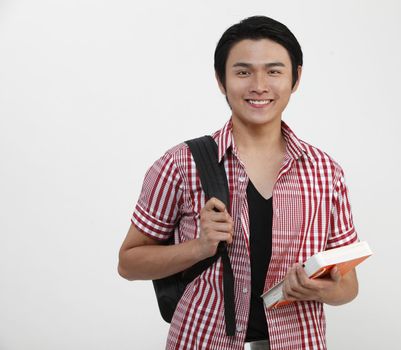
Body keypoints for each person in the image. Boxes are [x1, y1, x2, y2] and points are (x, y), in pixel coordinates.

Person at [118, 15, 359, 350]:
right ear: (221, 80)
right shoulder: (180, 163)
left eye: (274, 71)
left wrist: (322, 290)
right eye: (243, 71)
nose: (259, 85)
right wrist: (198, 248)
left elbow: (348, 284)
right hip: (201, 342)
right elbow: (128, 263)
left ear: (296, 78)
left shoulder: (324, 171)